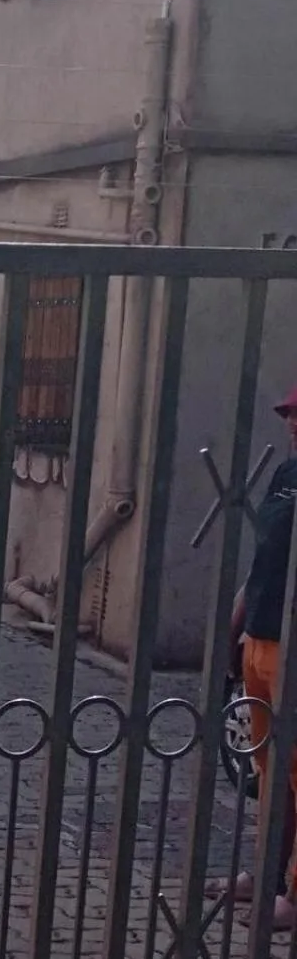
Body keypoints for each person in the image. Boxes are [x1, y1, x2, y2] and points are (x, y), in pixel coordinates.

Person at [214, 384, 297, 930]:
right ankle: (266, 873)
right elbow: (264, 557)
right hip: (261, 640)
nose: (292, 423)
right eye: (290, 414)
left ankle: (293, 893)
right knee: (267, 766)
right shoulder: (286, 476)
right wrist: (235, 624)